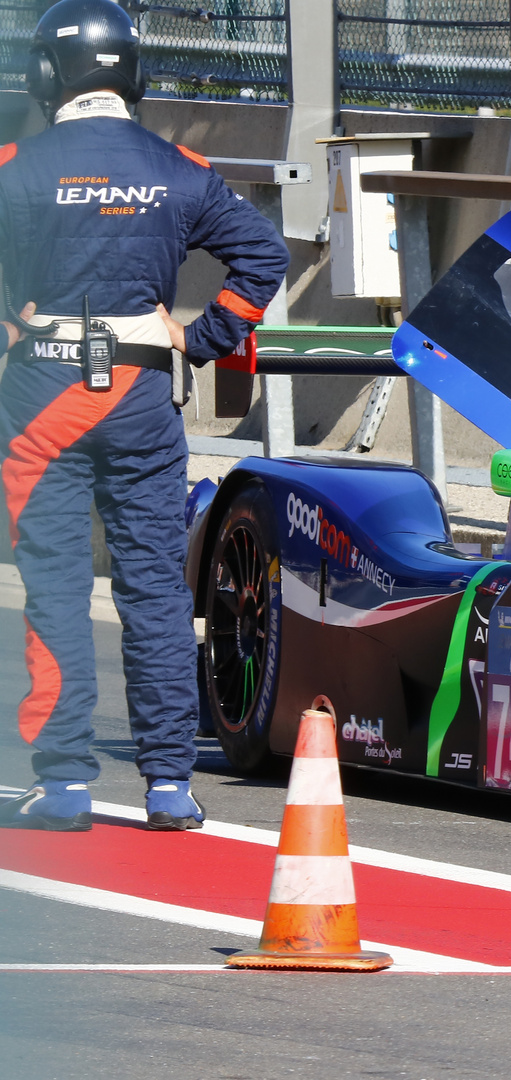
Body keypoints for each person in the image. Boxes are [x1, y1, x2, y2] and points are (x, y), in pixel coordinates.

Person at [0, 0, 288, 831]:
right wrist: (205, 337)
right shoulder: (180, 167)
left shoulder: (17, 165)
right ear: (133, 69)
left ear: (46, 75)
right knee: (156, 588)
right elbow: (263, 255)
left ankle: (62, 785)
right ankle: (167, 783)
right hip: (139, 395)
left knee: (53, 589)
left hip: (41, 398)